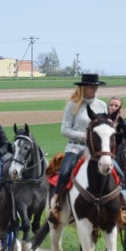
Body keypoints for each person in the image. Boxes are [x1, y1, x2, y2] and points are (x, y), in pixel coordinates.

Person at [47, 73, 108, 224]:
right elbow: (64, 129)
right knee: (66, 170)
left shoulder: (102, 105)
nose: (94, 89)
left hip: (96, 150)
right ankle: (57, 204)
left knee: (114, 169)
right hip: (75, 147)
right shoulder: (72, 105)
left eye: (96, 86)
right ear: (83, 87)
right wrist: (83, 136)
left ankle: (119, 204)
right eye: (91, 86)